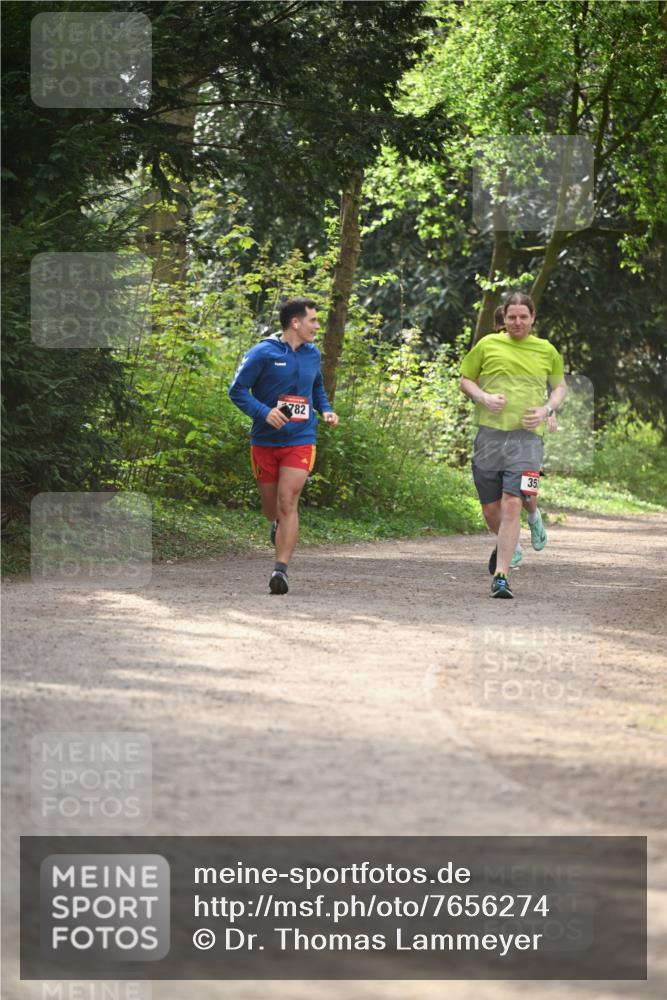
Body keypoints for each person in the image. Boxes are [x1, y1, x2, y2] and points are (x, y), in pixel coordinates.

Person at [460, 292, 567, 598]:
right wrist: (484, 397)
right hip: (490, 437)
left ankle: (501, 575)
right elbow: (466, 379)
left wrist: (547, 410)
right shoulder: (487, 345)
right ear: (503, 319)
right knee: (491, 510)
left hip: (528, 439)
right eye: (512, 317)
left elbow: (560, 386)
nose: (518, 322)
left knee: (513, 502)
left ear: (533, 318)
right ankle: (516, 538)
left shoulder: (546, 350)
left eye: (523, 317)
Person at [229, 298, 339, 595]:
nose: (317, 326)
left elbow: (316, 387)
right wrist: (263, 412)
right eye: (313, 320)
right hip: (265, 440)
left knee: (288, 501)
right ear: (295, 323)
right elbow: (236, 391)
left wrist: (325, 409)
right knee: (271, 508)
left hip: (300, 439)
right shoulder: (263, 352)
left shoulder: (313, 354)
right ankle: (277, 523)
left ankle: (280, 570)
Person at [489, 305, 557, 572]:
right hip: (495, 435)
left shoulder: (536, 351)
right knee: (498, 497)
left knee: (527, 491)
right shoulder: (492, 351)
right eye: (501, 329)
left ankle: (533, 516)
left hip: (529, 434)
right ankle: (512, 546)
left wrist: (550, 412)